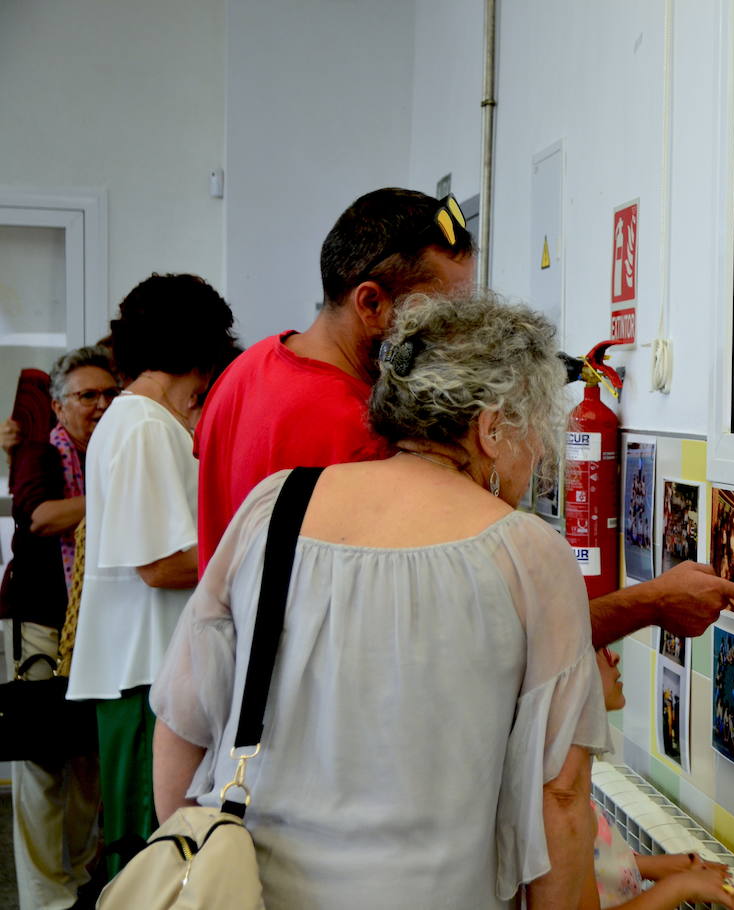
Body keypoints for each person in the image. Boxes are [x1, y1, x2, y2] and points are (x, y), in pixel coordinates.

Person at [151, 292, 609, 908]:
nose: (538, 459)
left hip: (257, 888)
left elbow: (184, 719)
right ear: (492, 428)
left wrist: (193, 868)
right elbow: (559, 794)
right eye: (535, 432)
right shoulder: (530, 554)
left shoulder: (278, 505)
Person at [193, 187, 734, 645]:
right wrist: (649, 603)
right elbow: (473, 635)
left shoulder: (242, 374)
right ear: (371, 302)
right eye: (445, 314)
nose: (459, 336)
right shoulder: (362, 433)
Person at [66, 274, 239, 874]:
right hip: (146, 678)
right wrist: (252, 546)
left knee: (152, 853)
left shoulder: (141, 421)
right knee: (152, 856)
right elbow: (161, 565)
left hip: (149, 673)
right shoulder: (143, 425)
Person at [1, 346, 117, 908]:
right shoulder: (39, 454)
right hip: (40, 624)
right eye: (85, 396)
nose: (99, 406)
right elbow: (41, 516)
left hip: (98, 629)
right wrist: (117, 501)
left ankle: (73, 877)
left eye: (108, 394)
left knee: (87, 759)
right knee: (42, 763)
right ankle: (45, 897)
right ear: (57, 405)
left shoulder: (114, 455)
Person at [583, 647, 734, 910]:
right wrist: (681, 887)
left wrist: (660, 867)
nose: (614, 655)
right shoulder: (553, 802)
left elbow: (591, 863)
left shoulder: (570, 784)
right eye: (598, 647)